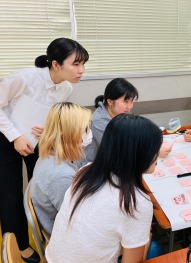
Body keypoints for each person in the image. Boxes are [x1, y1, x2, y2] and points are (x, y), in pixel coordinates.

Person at [0, 37, 89, 263]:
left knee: (39, 185)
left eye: (83, 64)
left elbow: (53, 115)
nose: (81, 70)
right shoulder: (24, 78)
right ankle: (19, 244)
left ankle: (44, 231)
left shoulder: (66, 88)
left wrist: (49, 128)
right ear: (56, 64)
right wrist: (15, 136)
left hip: (37, 139)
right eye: (76, 64)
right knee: (10, 193)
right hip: (6, 135)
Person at [46, 114, 163, 263]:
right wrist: (145, 240)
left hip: (52, 259)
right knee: (155, 248)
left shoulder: (86, 171)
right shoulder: (136, 203)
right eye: (154, 150)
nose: (157, 155)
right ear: (137, 155)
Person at [30, 102, 91, 235]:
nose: (88, 133)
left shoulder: (50, 157)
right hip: (66, 235)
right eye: (85, 129)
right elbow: (77, 221)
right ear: (68, 133)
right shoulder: (60, 175)